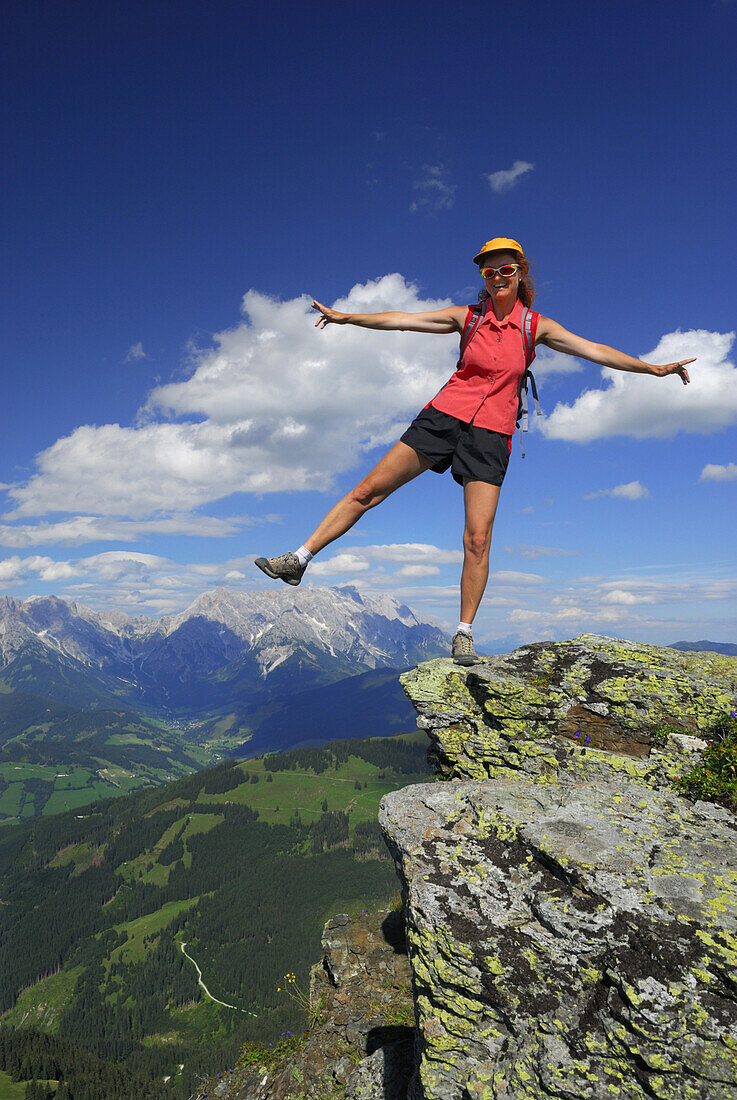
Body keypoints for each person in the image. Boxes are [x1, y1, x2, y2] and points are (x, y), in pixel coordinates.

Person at [255, 237, 693, 665]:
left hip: (491, 433)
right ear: (483, 277)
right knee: (368, 491)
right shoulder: (467, 317)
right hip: (444, 416)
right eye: (490, 270)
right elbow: (404, 319)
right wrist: (348, 318)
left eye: (507, 269)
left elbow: (593, 350)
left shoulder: (534, 326)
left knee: (477, 539)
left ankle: (463, 634)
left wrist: (652, 369)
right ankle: (298, 559)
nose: (498, 276)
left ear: (521, 275)